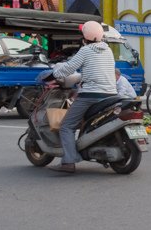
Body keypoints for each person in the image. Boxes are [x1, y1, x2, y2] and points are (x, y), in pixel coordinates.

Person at [49, 21, 117, 174]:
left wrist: (55, 73)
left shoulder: (85, 50)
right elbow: (97, 71)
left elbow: (68, 68)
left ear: (85, 37)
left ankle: (68, 161)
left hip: (90, 95)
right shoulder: (108, 50)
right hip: (111, 94)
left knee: (67, 126)